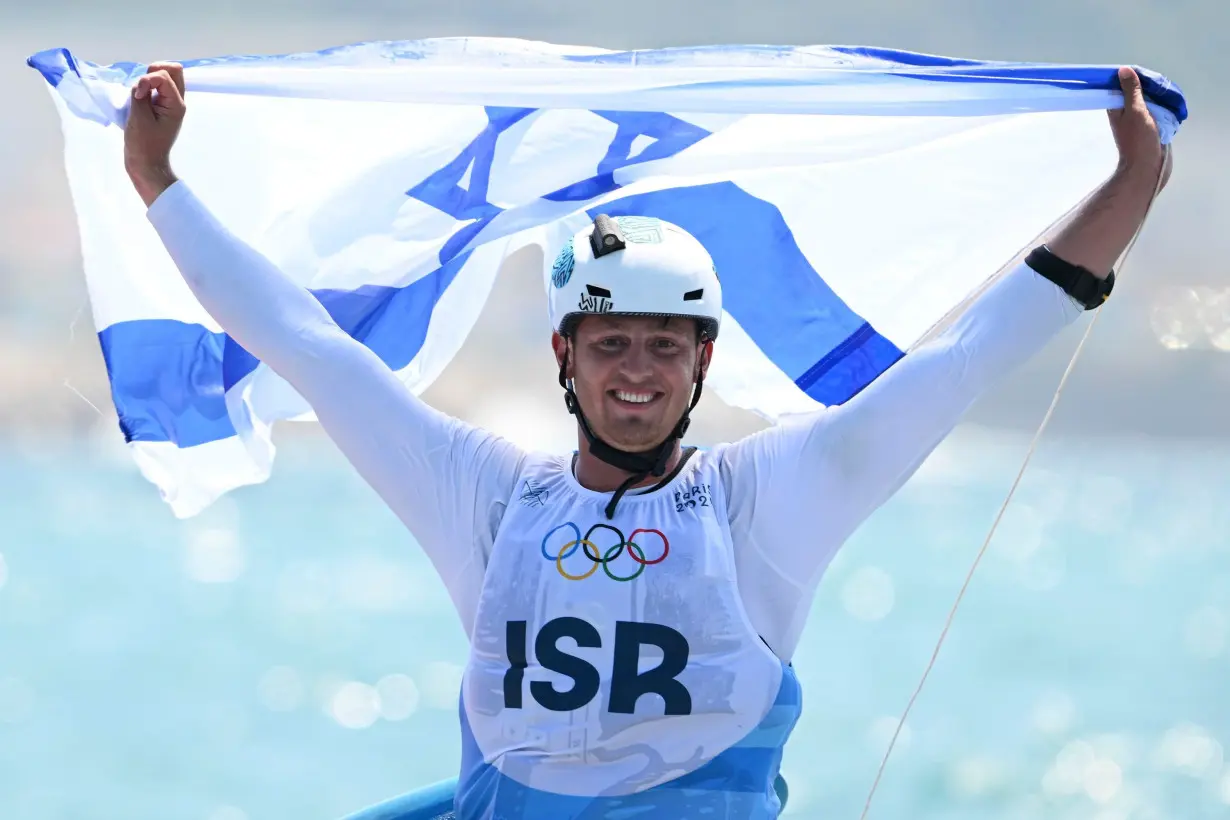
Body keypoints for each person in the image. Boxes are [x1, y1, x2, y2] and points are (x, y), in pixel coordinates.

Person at [123, 61, 1171, 820]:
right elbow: (310, 347)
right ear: (564, 360)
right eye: (612, 342)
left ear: (703, 363)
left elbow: (968, 358)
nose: (637, 370)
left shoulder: (770, 499)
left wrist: (1125, 191)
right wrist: (157, 182)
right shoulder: (484, 495)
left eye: (665, 345)